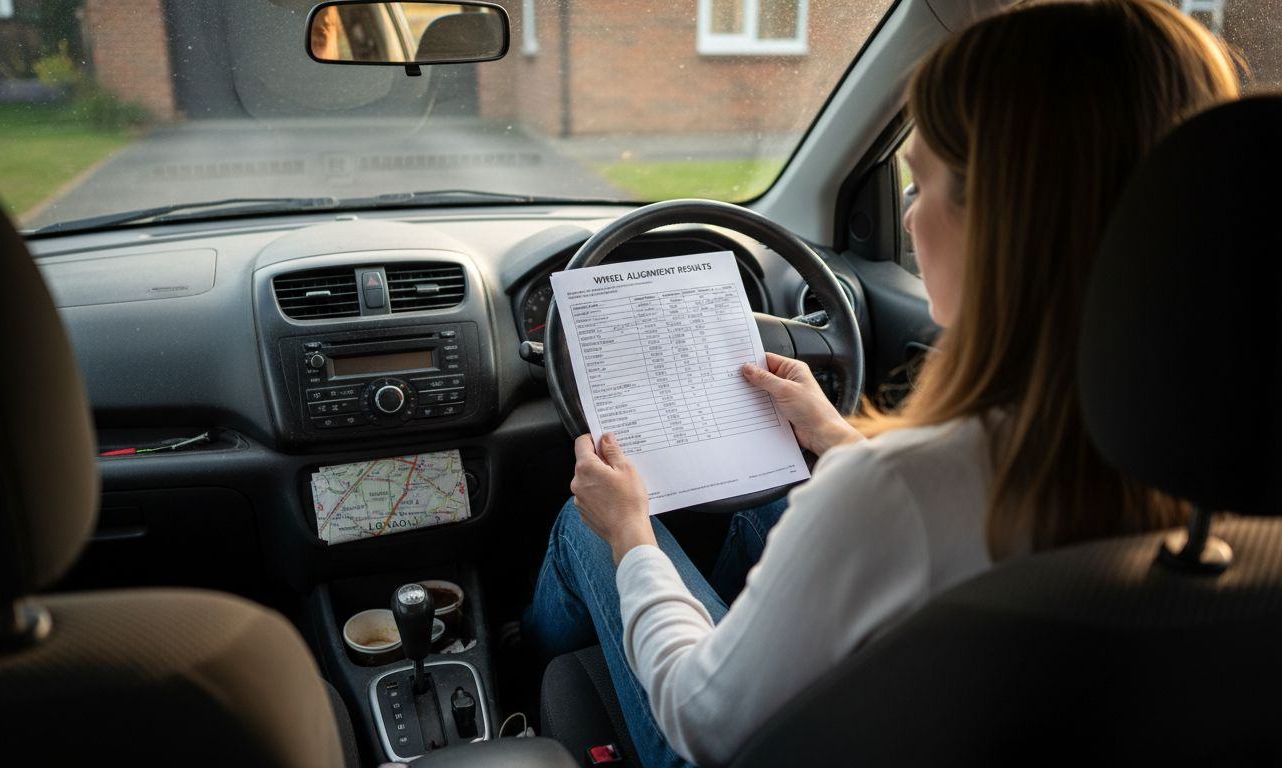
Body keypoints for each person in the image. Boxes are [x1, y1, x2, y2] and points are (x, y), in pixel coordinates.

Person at [522, 1, 1243, 766]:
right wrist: (834, 434)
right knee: (769, 492)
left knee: (586, 528)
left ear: (1001, 221)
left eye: (918, 184)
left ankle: (515, 677)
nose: (908, 213)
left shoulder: (898, 494)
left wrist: (631, 531)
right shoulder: (1215, 459)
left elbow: (707, 725)